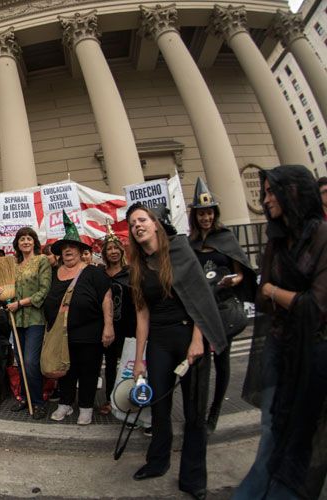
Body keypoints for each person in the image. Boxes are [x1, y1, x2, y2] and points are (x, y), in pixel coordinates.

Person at [235, 165, 326, 500]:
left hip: (312, 354)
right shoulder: (276, 241)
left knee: (302, 431)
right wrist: (277, 294)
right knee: (272, 428)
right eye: (265, 191)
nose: (265, 199)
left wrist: (275, 292)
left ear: (294, 192)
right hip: (278, 345)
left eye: (272, 192)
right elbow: (261, 294)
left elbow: (315, 307)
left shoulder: (322, 237)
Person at [128, 203, 226, 500]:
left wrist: (198, 340)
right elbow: (142, 315)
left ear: (155, 223)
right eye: (132, 224)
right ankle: (157, 462)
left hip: (188, 336)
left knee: (195, 411)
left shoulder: (180, 251)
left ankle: (194, 477)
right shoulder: (138, 266)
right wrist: (139, 360)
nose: (138, 226)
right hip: (158, 340)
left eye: (142, 220)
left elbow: (199, 298)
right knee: (159, 406)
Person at [188, 177, 256, 434]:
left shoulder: (226, 237)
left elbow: (240, 273)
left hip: (223, 306)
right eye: (201, 213)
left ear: (214, 214)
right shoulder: (191, 242)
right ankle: (198, 413)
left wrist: (230, 281)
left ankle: (215, 410)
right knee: (200, 363)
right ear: (196, 216)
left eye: (209, 212)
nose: (205, 217)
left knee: (222, 360)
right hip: (201, 310)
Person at [45, 214, 114, 424]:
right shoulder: (54, 273)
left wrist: (108, 326)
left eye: (72, 247)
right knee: (66, 370)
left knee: (88, 370)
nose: (68, 250)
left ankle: (85, 406)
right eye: (64, 247)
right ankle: (65, 404)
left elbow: (106, 298)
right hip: (62, 334)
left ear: (80, 250)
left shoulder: (94, 273)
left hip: (90, 332)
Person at [0, 227, 52, 420]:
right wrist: (0, 293)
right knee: (20, 363)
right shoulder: (14, 265)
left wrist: (20, 303)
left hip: (35, 319)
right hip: (16, 320)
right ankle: (26, 398)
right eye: (21, 239)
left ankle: (38, 402)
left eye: (29, 238)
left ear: (34, 241)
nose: (25, 242)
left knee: (30, 362)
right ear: (17, 244)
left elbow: (44, 292)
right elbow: (10, 293)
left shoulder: (41, 261)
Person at [101, 226, 136, 416]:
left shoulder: (131, 272)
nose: (113, 252)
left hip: (128, 326)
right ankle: (109, 398)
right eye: (109, 249)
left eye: (116, 248)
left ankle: (129, 397)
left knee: (129, 363)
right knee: (110, 364)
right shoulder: (101, 274)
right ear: (105, 253)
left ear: (121, 251)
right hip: (108, 327)